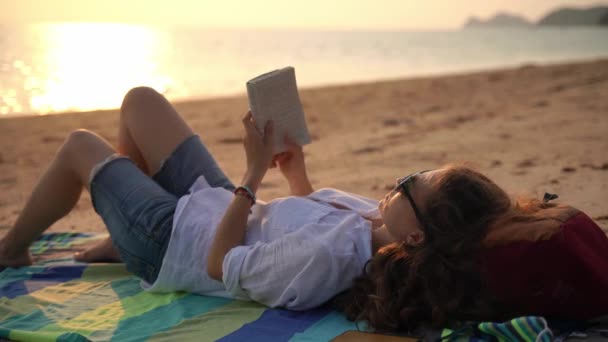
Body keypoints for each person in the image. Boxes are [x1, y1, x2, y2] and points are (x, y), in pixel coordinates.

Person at [0, 87, 606, 331]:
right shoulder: (377, 228)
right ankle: (119, 224)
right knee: (139, 102)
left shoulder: (327, 258)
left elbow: (221, 266)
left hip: (177, 243)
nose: (393, 185)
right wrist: (297, 175)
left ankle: (18, 246)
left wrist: (254, 172)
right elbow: (296, 220)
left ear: (419, 236)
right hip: (217, 205)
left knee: (81, 145)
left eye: (407, 183)